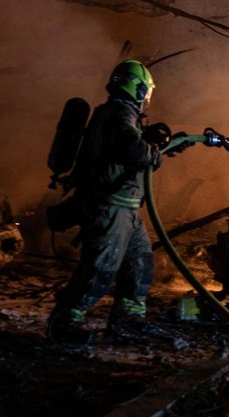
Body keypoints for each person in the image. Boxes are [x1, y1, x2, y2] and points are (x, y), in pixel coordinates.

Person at [47, 59, 185, 344]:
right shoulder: (120, 114)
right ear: (137, 88)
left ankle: (128, 322)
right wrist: (155, 153)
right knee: (100, 268)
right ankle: (64, 324)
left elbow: (130, 146)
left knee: (140, 265)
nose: (147, 98)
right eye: (146, 91)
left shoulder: (119, 115)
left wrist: (163, 143)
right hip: (110, 207)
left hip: (127, 210)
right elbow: (135, 151)